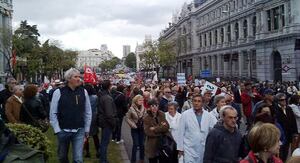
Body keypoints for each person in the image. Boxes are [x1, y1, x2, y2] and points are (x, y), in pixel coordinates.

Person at [49, 68, 92, 163]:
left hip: (79, 130)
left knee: (78, 159)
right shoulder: (58, 92)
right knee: (62, 157)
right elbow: (53, 113)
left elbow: (88, 111)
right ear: (68, 79)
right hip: (63, 130)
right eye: (75, 77)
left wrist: (87, 128)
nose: (79, 79)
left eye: (79, 77)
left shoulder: (83, 92)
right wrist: (57, 130)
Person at [177, 94, 217, 163]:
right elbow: (180, 132)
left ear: (202, 103)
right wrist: (180, 149)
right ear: (192, 102)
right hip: (189, 148)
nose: (196, 103)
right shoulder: (185, 115)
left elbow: (214, 130)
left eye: (199, 101)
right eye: (195, 101)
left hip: (203, 148)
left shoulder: (208, 115)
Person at [97, 80, 118, 163]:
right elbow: (109, 114)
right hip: (107, 123)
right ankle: (103, 160)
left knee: (104, 142)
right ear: (109, 86)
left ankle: (103, 159)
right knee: (104, 143)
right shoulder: (107, 98)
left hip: (104, 121)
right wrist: (113, 123)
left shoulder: (102, 95)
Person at [274, 93, 298, 161]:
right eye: (282, 100)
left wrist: (295, 133)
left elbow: (293, 121)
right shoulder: (275, 110)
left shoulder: (288, 108)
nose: (284, 101)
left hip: (288, 134)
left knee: (286, 152)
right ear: (278, 101)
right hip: (280, 136)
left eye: (285, 99)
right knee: (280, 154)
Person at [125, 94, 146, 163]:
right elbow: (127, 118)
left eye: (142, 100)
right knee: (135, 144)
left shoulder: (144, 108)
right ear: (136, 101)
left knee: (142, 144)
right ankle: (133, 160)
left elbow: (145, 116)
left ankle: (142, 159)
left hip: (142, 128)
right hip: (135, 128)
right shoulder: (131, 108)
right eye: (140, 100)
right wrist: (133, 125)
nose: (141, 101)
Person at [83, 84, 100, 158]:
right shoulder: (95, 97)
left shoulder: (83, 98)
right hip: (93, 117)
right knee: (95, 135)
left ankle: (87, 152)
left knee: (86, 135)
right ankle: (98, 151)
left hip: (85, 117)